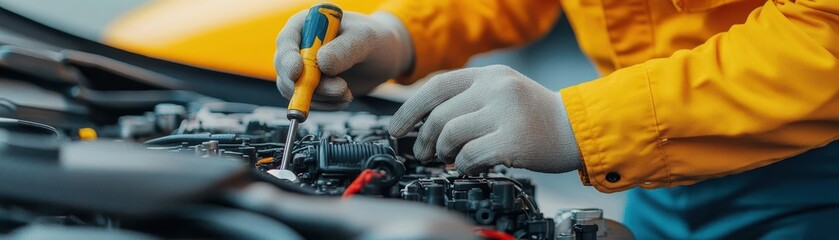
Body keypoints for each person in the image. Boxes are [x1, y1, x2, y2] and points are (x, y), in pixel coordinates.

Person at [275, 0, 839, 238]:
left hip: (814, 181)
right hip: (662, 174)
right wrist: (400, 35)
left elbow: (827, 33)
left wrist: (580, 122)